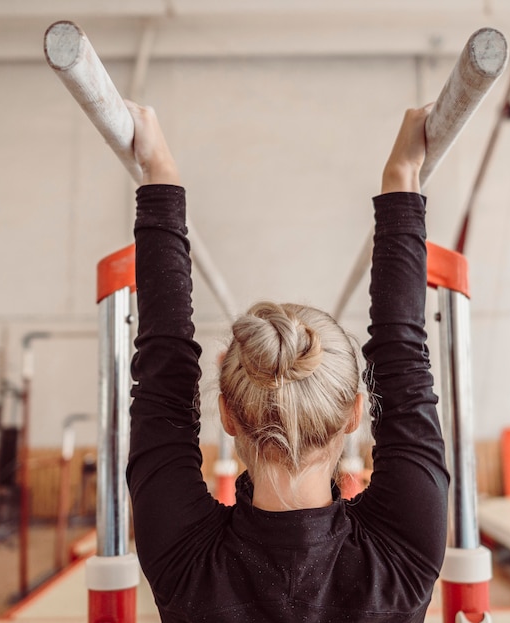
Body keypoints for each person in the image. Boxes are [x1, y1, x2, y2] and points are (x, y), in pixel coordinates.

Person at [125, 100, 448, 623]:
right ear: (355, 413)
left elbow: (163, 370)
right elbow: (404, 359)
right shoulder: (401, 556)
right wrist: (402, 175)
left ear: (227, 417)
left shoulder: (185, 560)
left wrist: (158, 172)